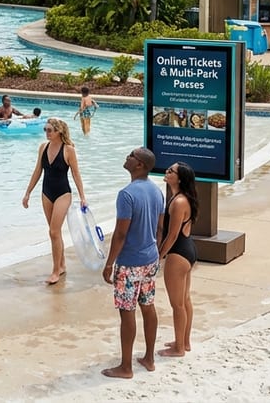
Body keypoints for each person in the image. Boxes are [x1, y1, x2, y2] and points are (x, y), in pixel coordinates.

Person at [101, 147, 165, 379]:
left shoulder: (126, 194)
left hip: (129, 263)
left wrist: (109, 264)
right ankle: (149, 358)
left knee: (127, 312)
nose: (127, 157)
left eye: (131, 155)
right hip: (150, 259)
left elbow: (120, 234)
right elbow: (159, 228)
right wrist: (154, 252)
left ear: (139, 165)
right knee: (148, 306)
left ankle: (126, 367)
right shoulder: (157, 192)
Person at [21, 118, 87, 284]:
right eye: (45, 129)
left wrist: (82, 197)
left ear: (59, 131)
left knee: (53, 232)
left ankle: (55, 271)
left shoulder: (68, 150)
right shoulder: (43, 148)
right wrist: (28, 192)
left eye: (49, 130)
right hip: (46, 193)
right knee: (54, 233)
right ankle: (62, 265)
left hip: (63, 194)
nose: (46, 133)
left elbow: (76, 174)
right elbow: (37, 171)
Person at [157, 161, 197, 358]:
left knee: (177, 304)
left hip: (178, 253)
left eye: (171, 171)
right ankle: (184, 342)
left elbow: (171, 236)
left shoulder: (179, 202)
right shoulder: (181, 198)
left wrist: (158, 256)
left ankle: (179, 348)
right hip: (188, 250)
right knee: (185, 299)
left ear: (179, 178)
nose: (167, 171)